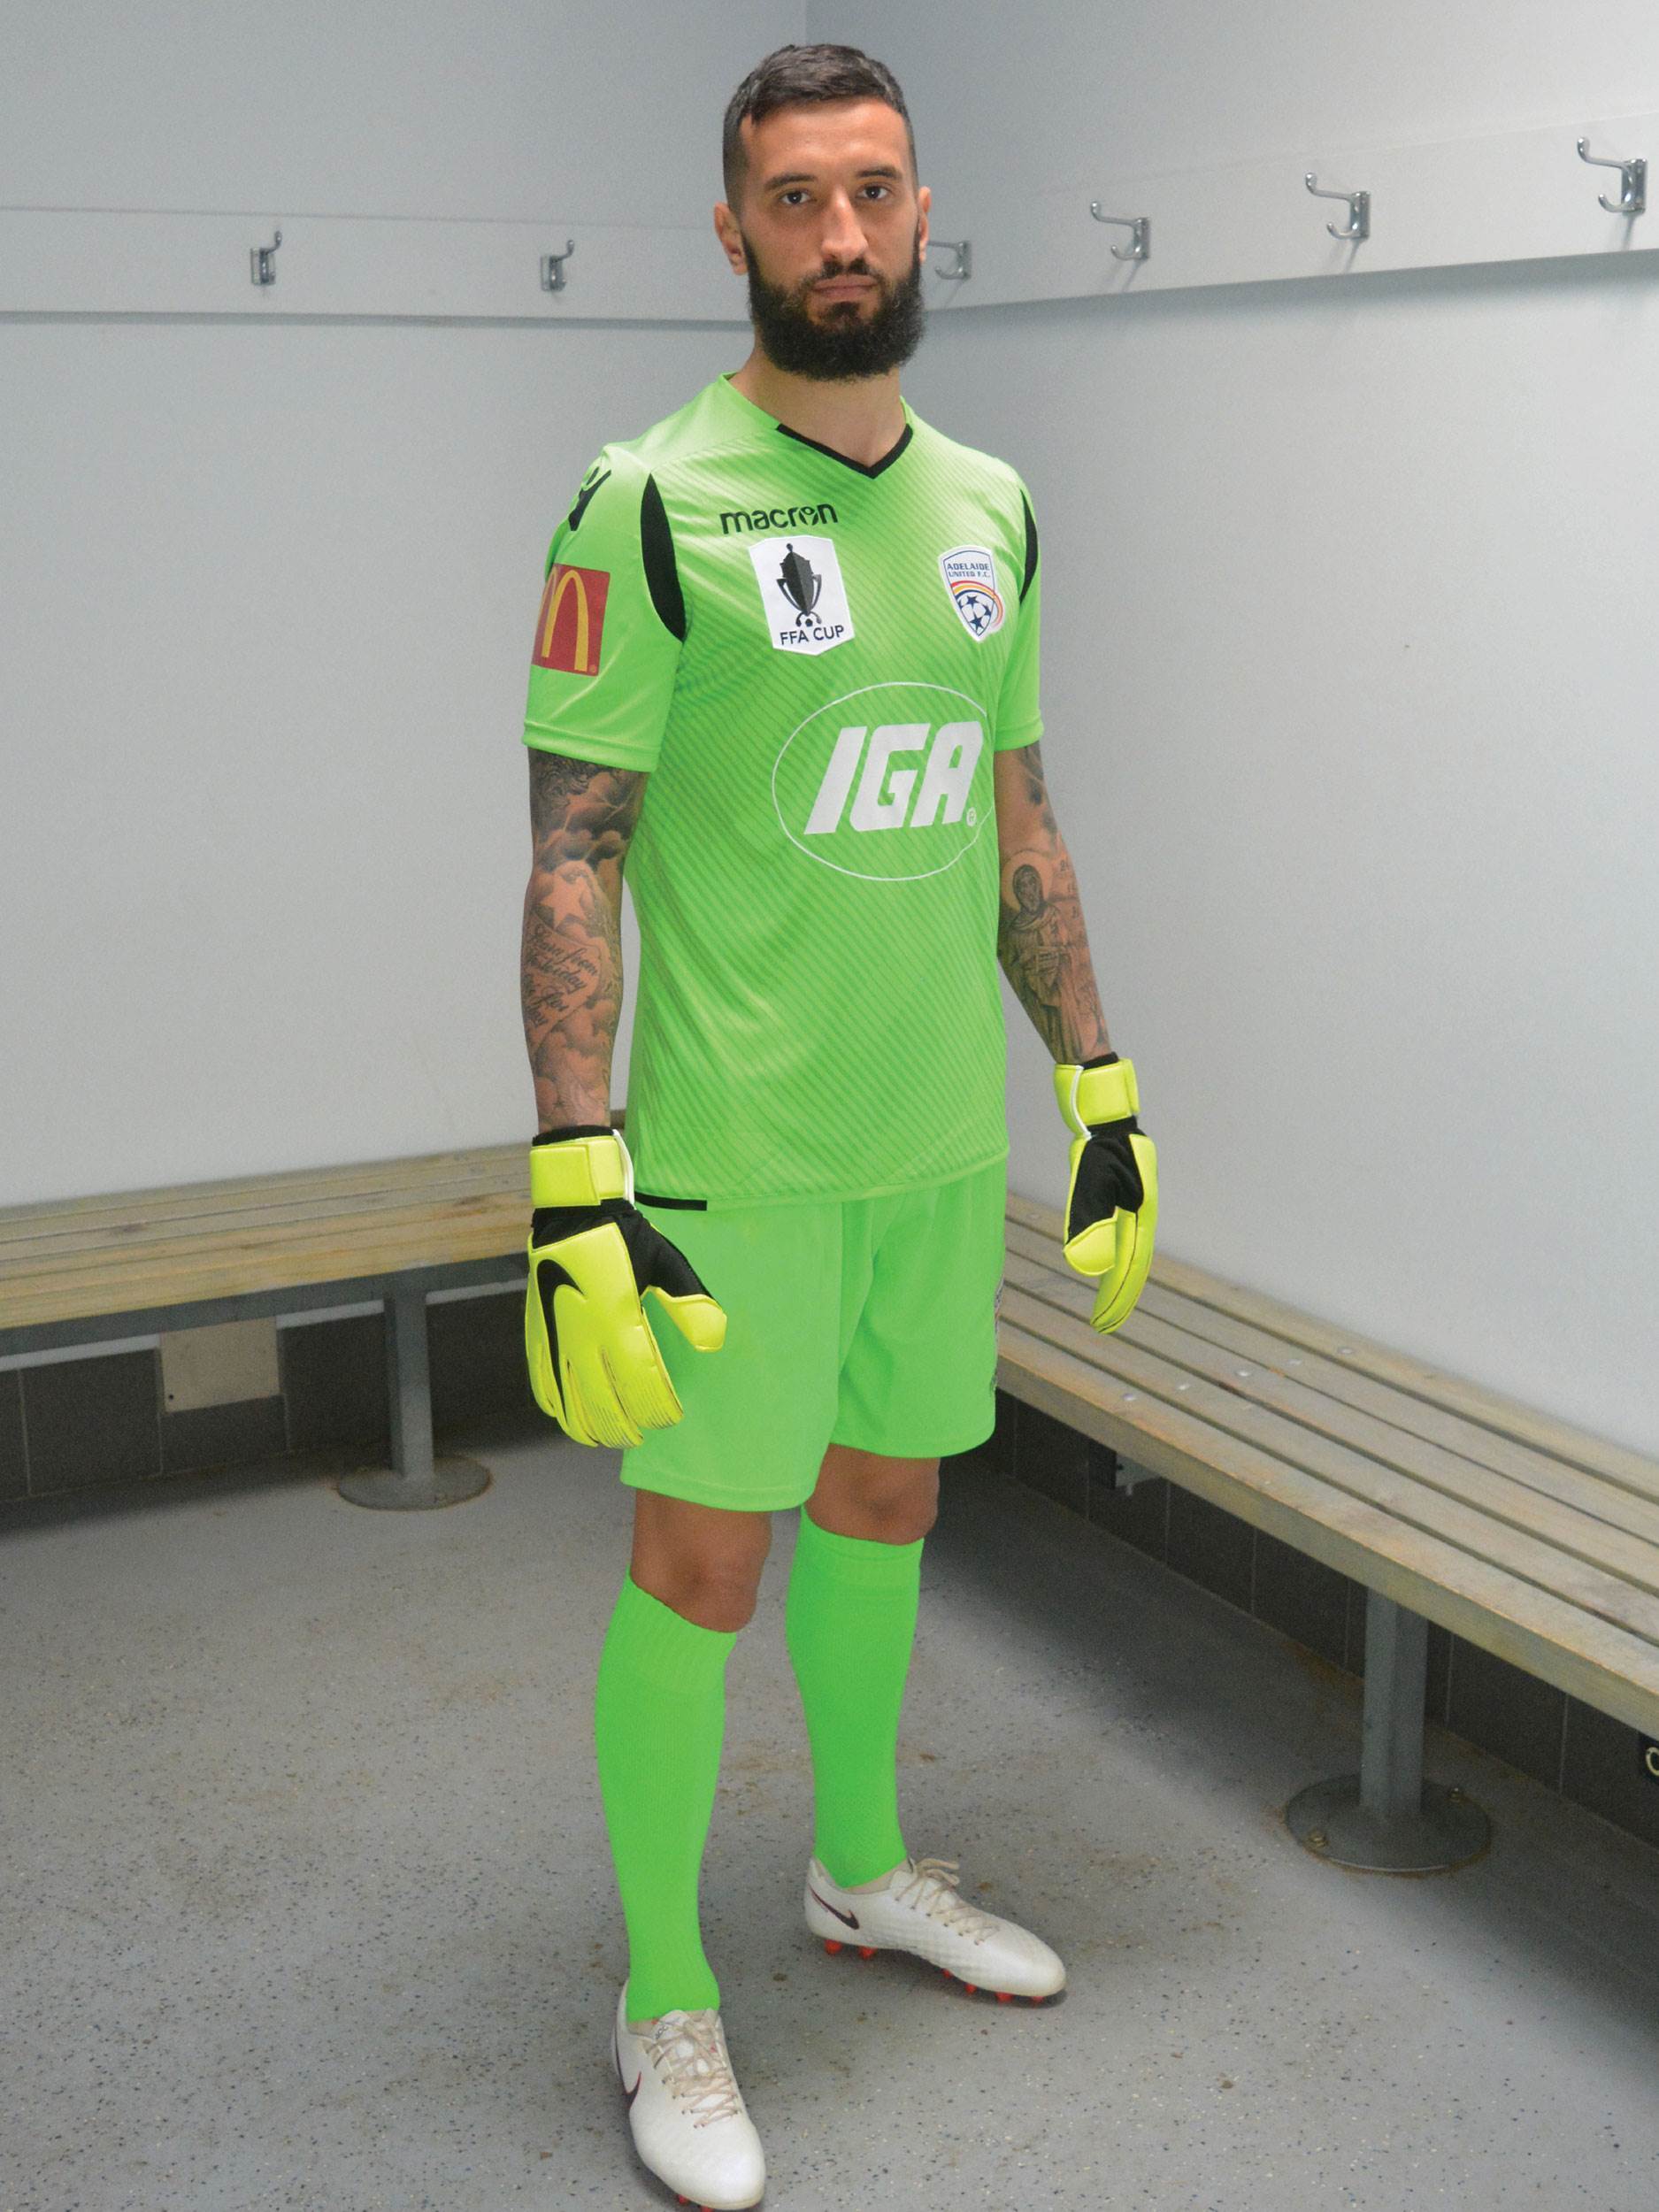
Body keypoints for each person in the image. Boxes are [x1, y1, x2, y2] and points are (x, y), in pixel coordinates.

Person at [518, 42, 1157, 2211]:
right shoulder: (645, 501)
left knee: (889, 1498)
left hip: (929, 1147)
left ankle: (862, 1865)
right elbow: (574, 854)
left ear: (919, 211)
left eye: (871, 189)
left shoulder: (990, 505)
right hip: (734, 1159)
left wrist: (1095, 1082)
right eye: (793, 198)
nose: (840, 233)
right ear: (733, 230)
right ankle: (663, 1988)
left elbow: (1015, 819)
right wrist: (573, 1168)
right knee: (700, 1561)